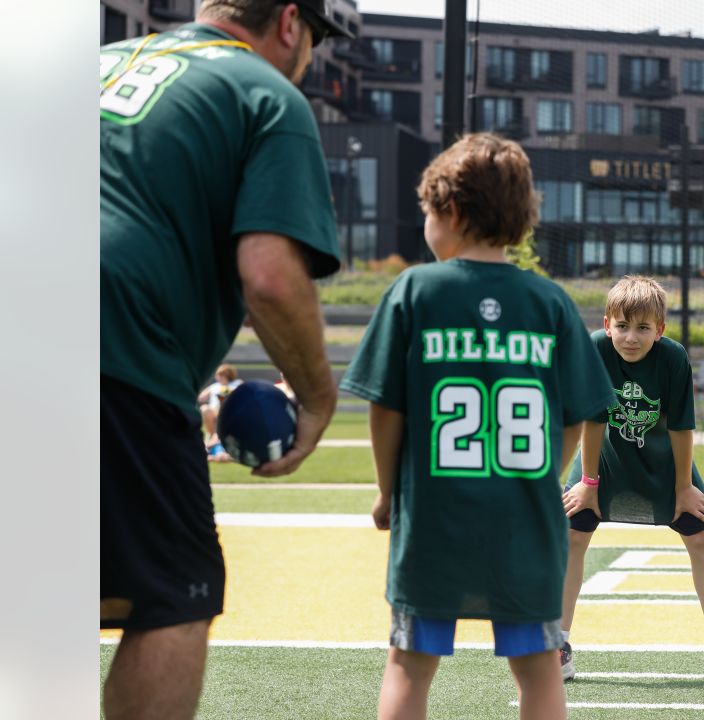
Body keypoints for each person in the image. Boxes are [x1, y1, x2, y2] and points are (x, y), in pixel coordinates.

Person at [99, 2, 349, 718]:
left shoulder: (96, 65)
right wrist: (318, 399)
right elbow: (269, 277)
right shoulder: (261, 89)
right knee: (172, 595)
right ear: (291, 23)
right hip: (114, 352)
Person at [340, 133, 615, 720]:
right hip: (523, 524)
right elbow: (577, 413)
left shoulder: (414, 290)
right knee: (539, 669)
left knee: (409, 665)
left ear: (453, 211)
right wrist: (542, 476)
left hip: (435, 522)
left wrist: (389, 490)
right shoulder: (551, 303)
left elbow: (385, 407)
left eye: (426, 211)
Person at [560, 276, 704, 688]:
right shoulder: (595, 347)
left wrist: (684, 488)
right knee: (571, 532)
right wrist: (588, 482)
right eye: (623, 326)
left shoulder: (673, 358)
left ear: (659, 330)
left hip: (666, 459)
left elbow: (682, 428)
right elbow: (592, 420)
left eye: (643, 328)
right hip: (606, 458)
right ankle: (556, 643)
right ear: (607, 323)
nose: (631, 337)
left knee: (703, 537)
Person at [197, 363, 243, 440]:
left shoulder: (238, 383)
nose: (218, 377)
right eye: (218, 374)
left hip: (233, 411)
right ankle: (213, 436)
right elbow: (200, 398)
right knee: (204, 408)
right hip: (215, 412)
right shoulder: (214, 386)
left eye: (221, 374)